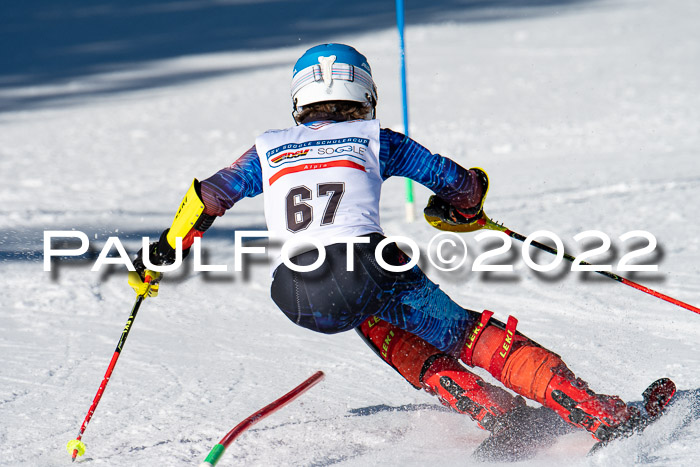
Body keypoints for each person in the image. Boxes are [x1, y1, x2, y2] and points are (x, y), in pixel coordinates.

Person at [128, 43, 649, 453]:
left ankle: (487, 406)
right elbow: (457, 185)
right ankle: (595, 408)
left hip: (294, 289)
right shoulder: (378, 137)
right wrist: (468, 208)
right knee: (465, 332)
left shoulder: (268, 149)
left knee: (374, 318)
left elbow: (209, 198)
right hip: (365, 265)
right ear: (366, 94)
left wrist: (161, 256)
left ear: (299, 101)